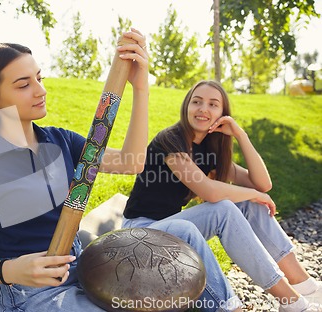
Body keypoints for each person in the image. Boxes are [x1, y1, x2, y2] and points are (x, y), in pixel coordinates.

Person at [0, 29, 151, 311]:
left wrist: (140, 88)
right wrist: (11, 271)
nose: (41, 91)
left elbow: (131, 162)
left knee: (175, 246)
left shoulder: (60, 140)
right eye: (23, 85)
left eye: (39, 78)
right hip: (33, 290)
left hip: (82, 264)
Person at [122, 80, 322, 312]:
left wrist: (240, 134)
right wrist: (255, 194)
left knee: (248, 201)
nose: (203, 109)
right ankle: (291, 301)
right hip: (141, 232)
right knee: (225, 208)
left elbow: (262, 183)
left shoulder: (209, 151)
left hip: (170, 229)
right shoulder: (170, 141)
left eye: (213, 104)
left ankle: (303, 284)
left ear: (222, 114)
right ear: (186, 106)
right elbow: (209, 190)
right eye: (196, 102)